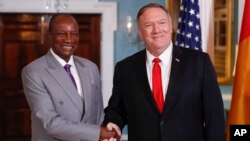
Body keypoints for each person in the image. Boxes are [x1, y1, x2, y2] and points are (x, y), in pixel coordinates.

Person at [103, 3, 225, 141]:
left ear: (170, 26)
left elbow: (214, 116)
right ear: (140, 32)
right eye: (149, 25)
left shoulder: (199, 62)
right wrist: (113, 123)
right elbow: (116, 109)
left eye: (162, 22)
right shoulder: (124, 68)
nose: (157, 30)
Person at [21, 14, 116, 141]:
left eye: (74, 34)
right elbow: (51, 123)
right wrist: (97, 133)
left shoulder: (90, 67)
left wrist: (111, 127)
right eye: (62, 33)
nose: (69, 40)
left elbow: (97, 114)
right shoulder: (33, 71)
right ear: (50, 35)